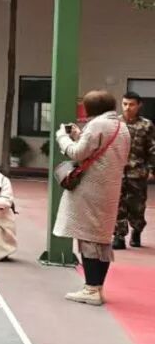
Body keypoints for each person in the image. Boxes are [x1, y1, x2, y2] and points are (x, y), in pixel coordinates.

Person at [55, 90, 131, 306]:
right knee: (102, 239)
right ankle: (97, 287)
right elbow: (100, 150)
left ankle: (90, 289)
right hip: (110, 188)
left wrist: (62, 137)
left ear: (89, 108)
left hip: (90, 189)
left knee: (87, 238)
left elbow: (77, 153)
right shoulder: (121, 126)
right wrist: (80, 135)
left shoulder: (97, 125)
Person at [113, 91, 154, 249]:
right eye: (125, 104)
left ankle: (137, 230)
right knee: (117, 204)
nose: (127, 108)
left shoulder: (146, 125)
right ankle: (119, 235)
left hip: (137, 172)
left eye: (131, 104)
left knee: (137, 206)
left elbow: (152, 148)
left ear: (139, 105)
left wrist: (152, 169)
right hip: (117, 171)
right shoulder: (115, 123)